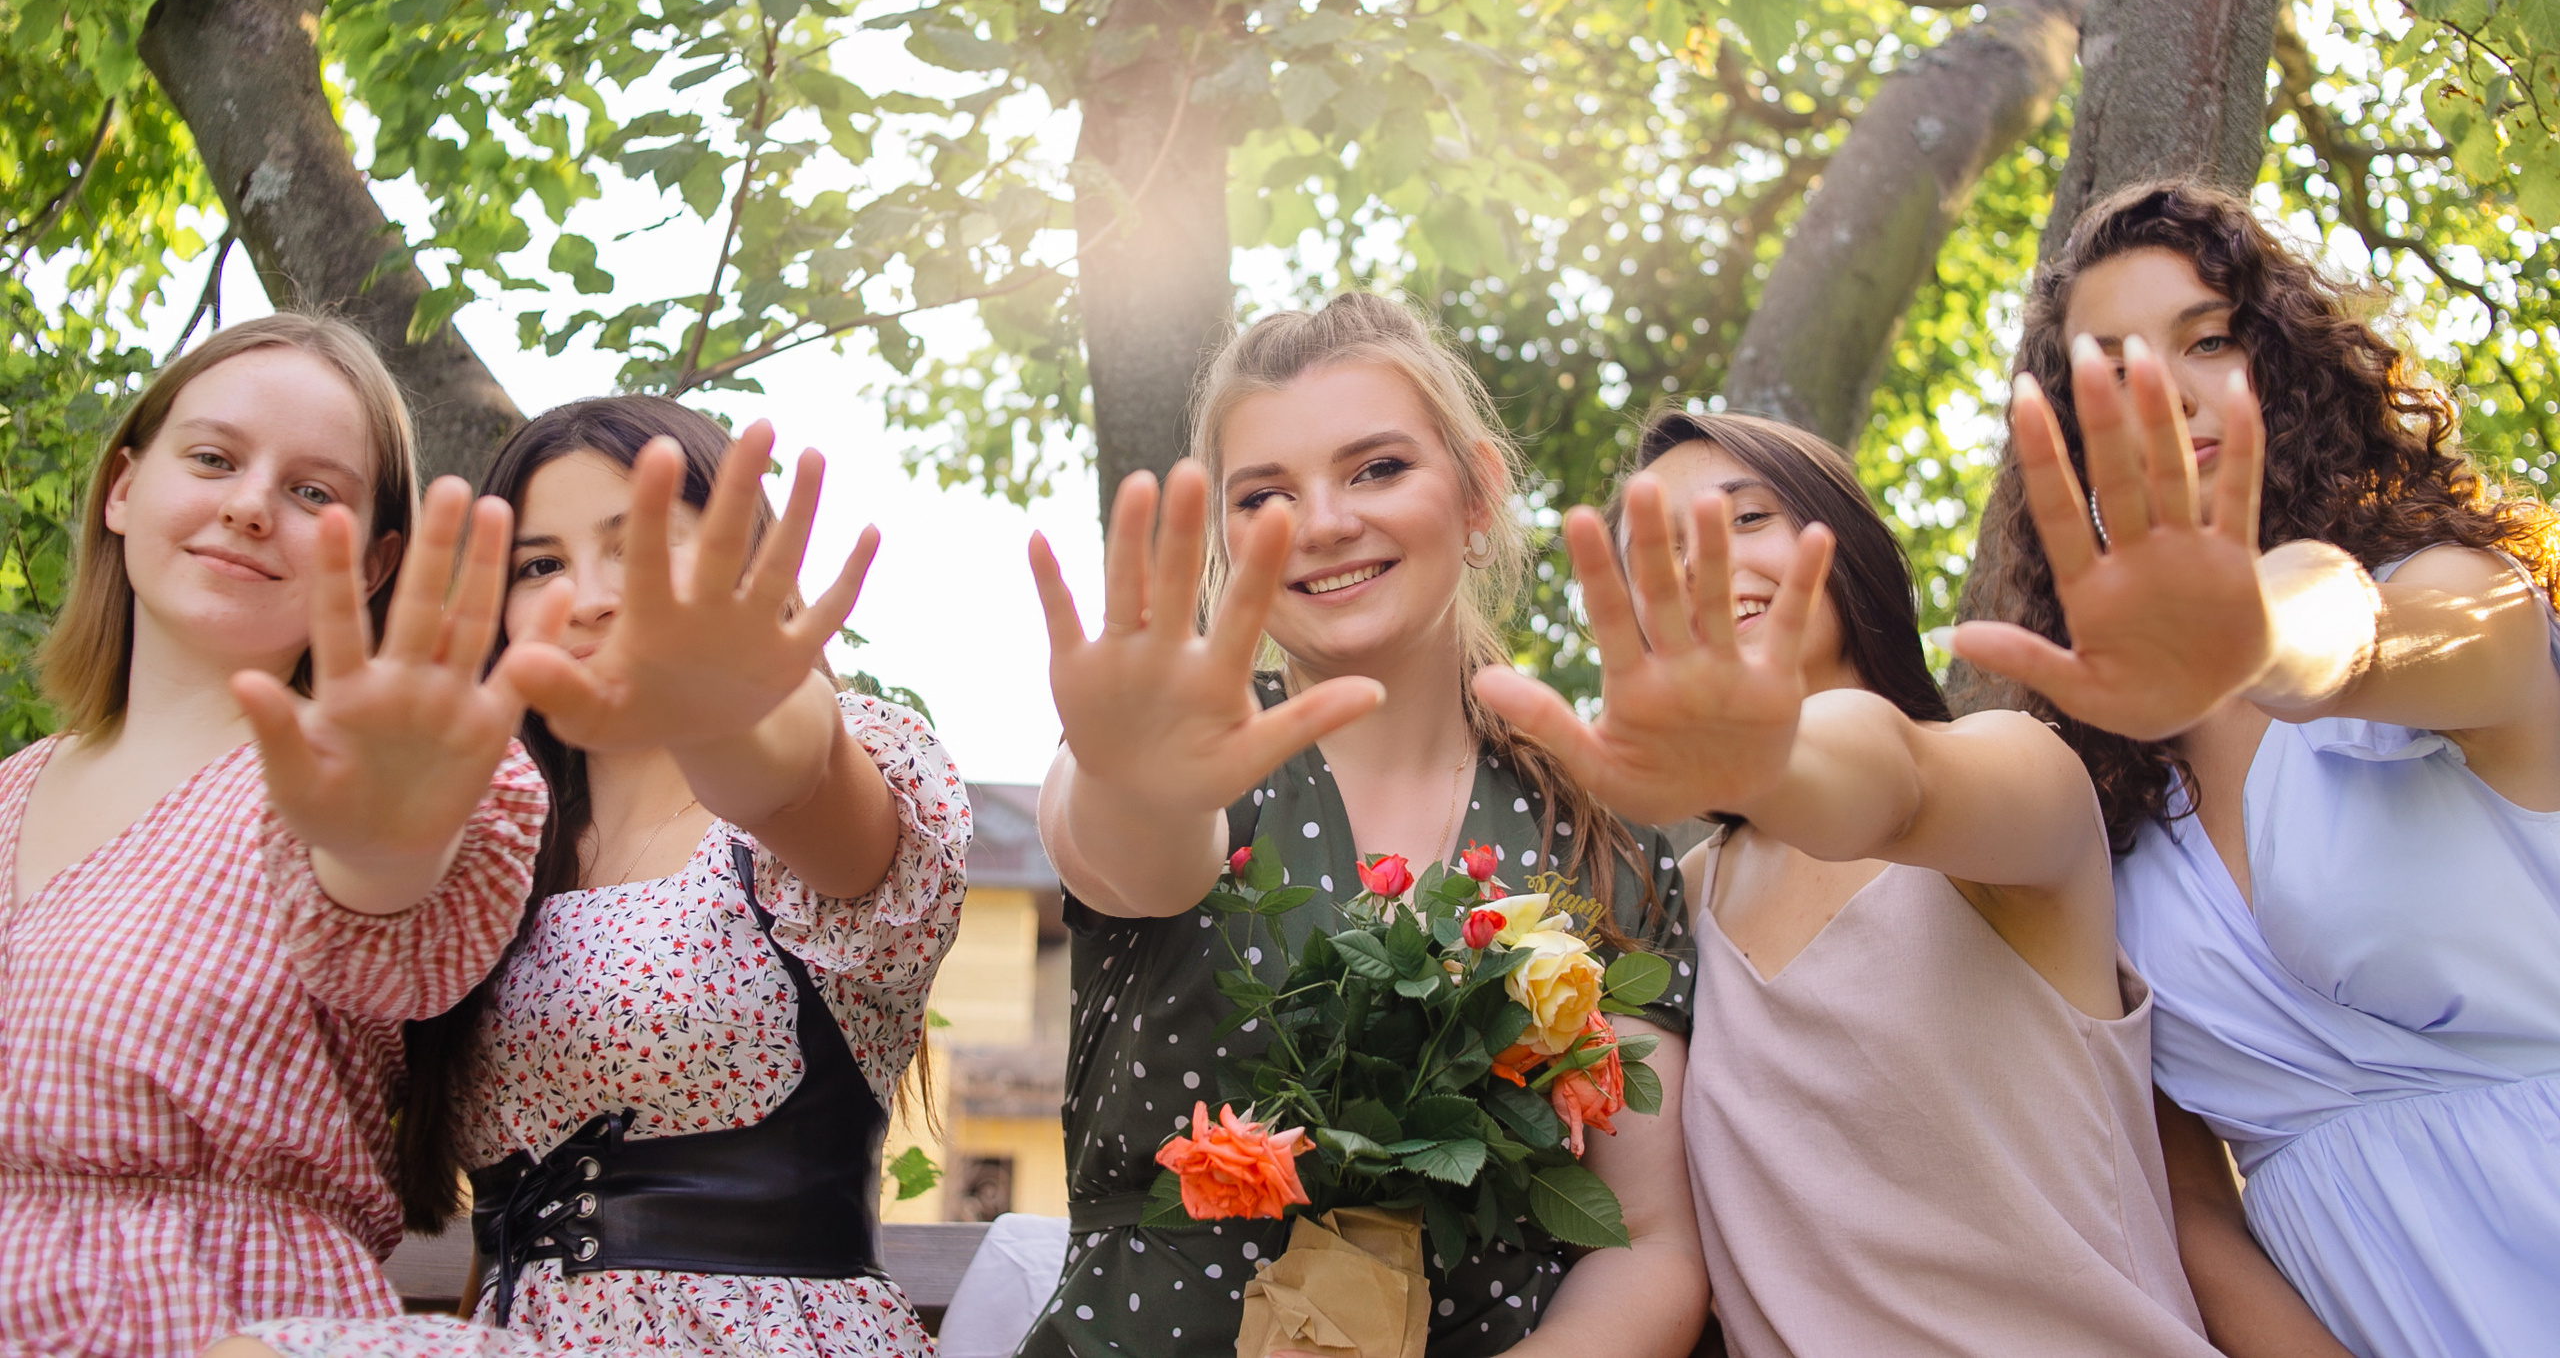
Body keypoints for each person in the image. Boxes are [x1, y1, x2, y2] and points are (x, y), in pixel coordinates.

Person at [1020, 292, 1705, 1358]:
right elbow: (1130, 857)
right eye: (1265, 495)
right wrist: (1133, 781)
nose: (1326, 521)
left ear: (1477, 495)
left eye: (1376, 468)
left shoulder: (1594, 830)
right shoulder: (1177, 761)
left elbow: (1648, 1244)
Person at [224, 396, 969, 1358]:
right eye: (540, 564)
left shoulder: (825, 791)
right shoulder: (496, 852)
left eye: (648, 547)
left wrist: (752, 734)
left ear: (748, 566)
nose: (592, 594)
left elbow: (807, 791)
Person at [1478, 403, 2226, 1357]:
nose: (1703, 564)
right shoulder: (1675, 907)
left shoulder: (2008, 771)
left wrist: (1769, 763)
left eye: (1746, 517)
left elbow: (1894, 784)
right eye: (1656, 556)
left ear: (1845, 543)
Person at [1956, 180, 2560, 1358]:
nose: (2168, 387)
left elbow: (2378, 638)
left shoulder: (2449, 590)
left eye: (2208, 338)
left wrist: (2262, 643)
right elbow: (2189, 1202)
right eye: (2112, 363)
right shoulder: (2103, 807)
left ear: (2282, 368)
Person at [0, 314, 557, 1358]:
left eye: (315, 492)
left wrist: (387, 851)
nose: (251, 507)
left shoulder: (387, 778)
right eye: (212, 457)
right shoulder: (10, 793)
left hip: (214, 1326)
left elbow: (388, 909)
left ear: (377, 561)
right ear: (123, 488)